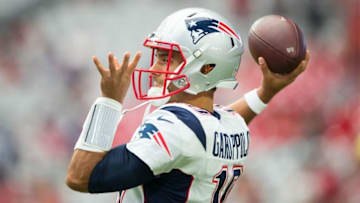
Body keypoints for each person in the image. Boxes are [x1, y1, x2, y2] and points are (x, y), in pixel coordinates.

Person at [65, 8, 310, 203]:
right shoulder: (233, 128)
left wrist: (109, 100)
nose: (155, 68)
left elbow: (79, 177)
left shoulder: (174, 129)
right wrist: (265, 93)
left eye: (166, 58)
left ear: (206, 67)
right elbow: (226, 119)